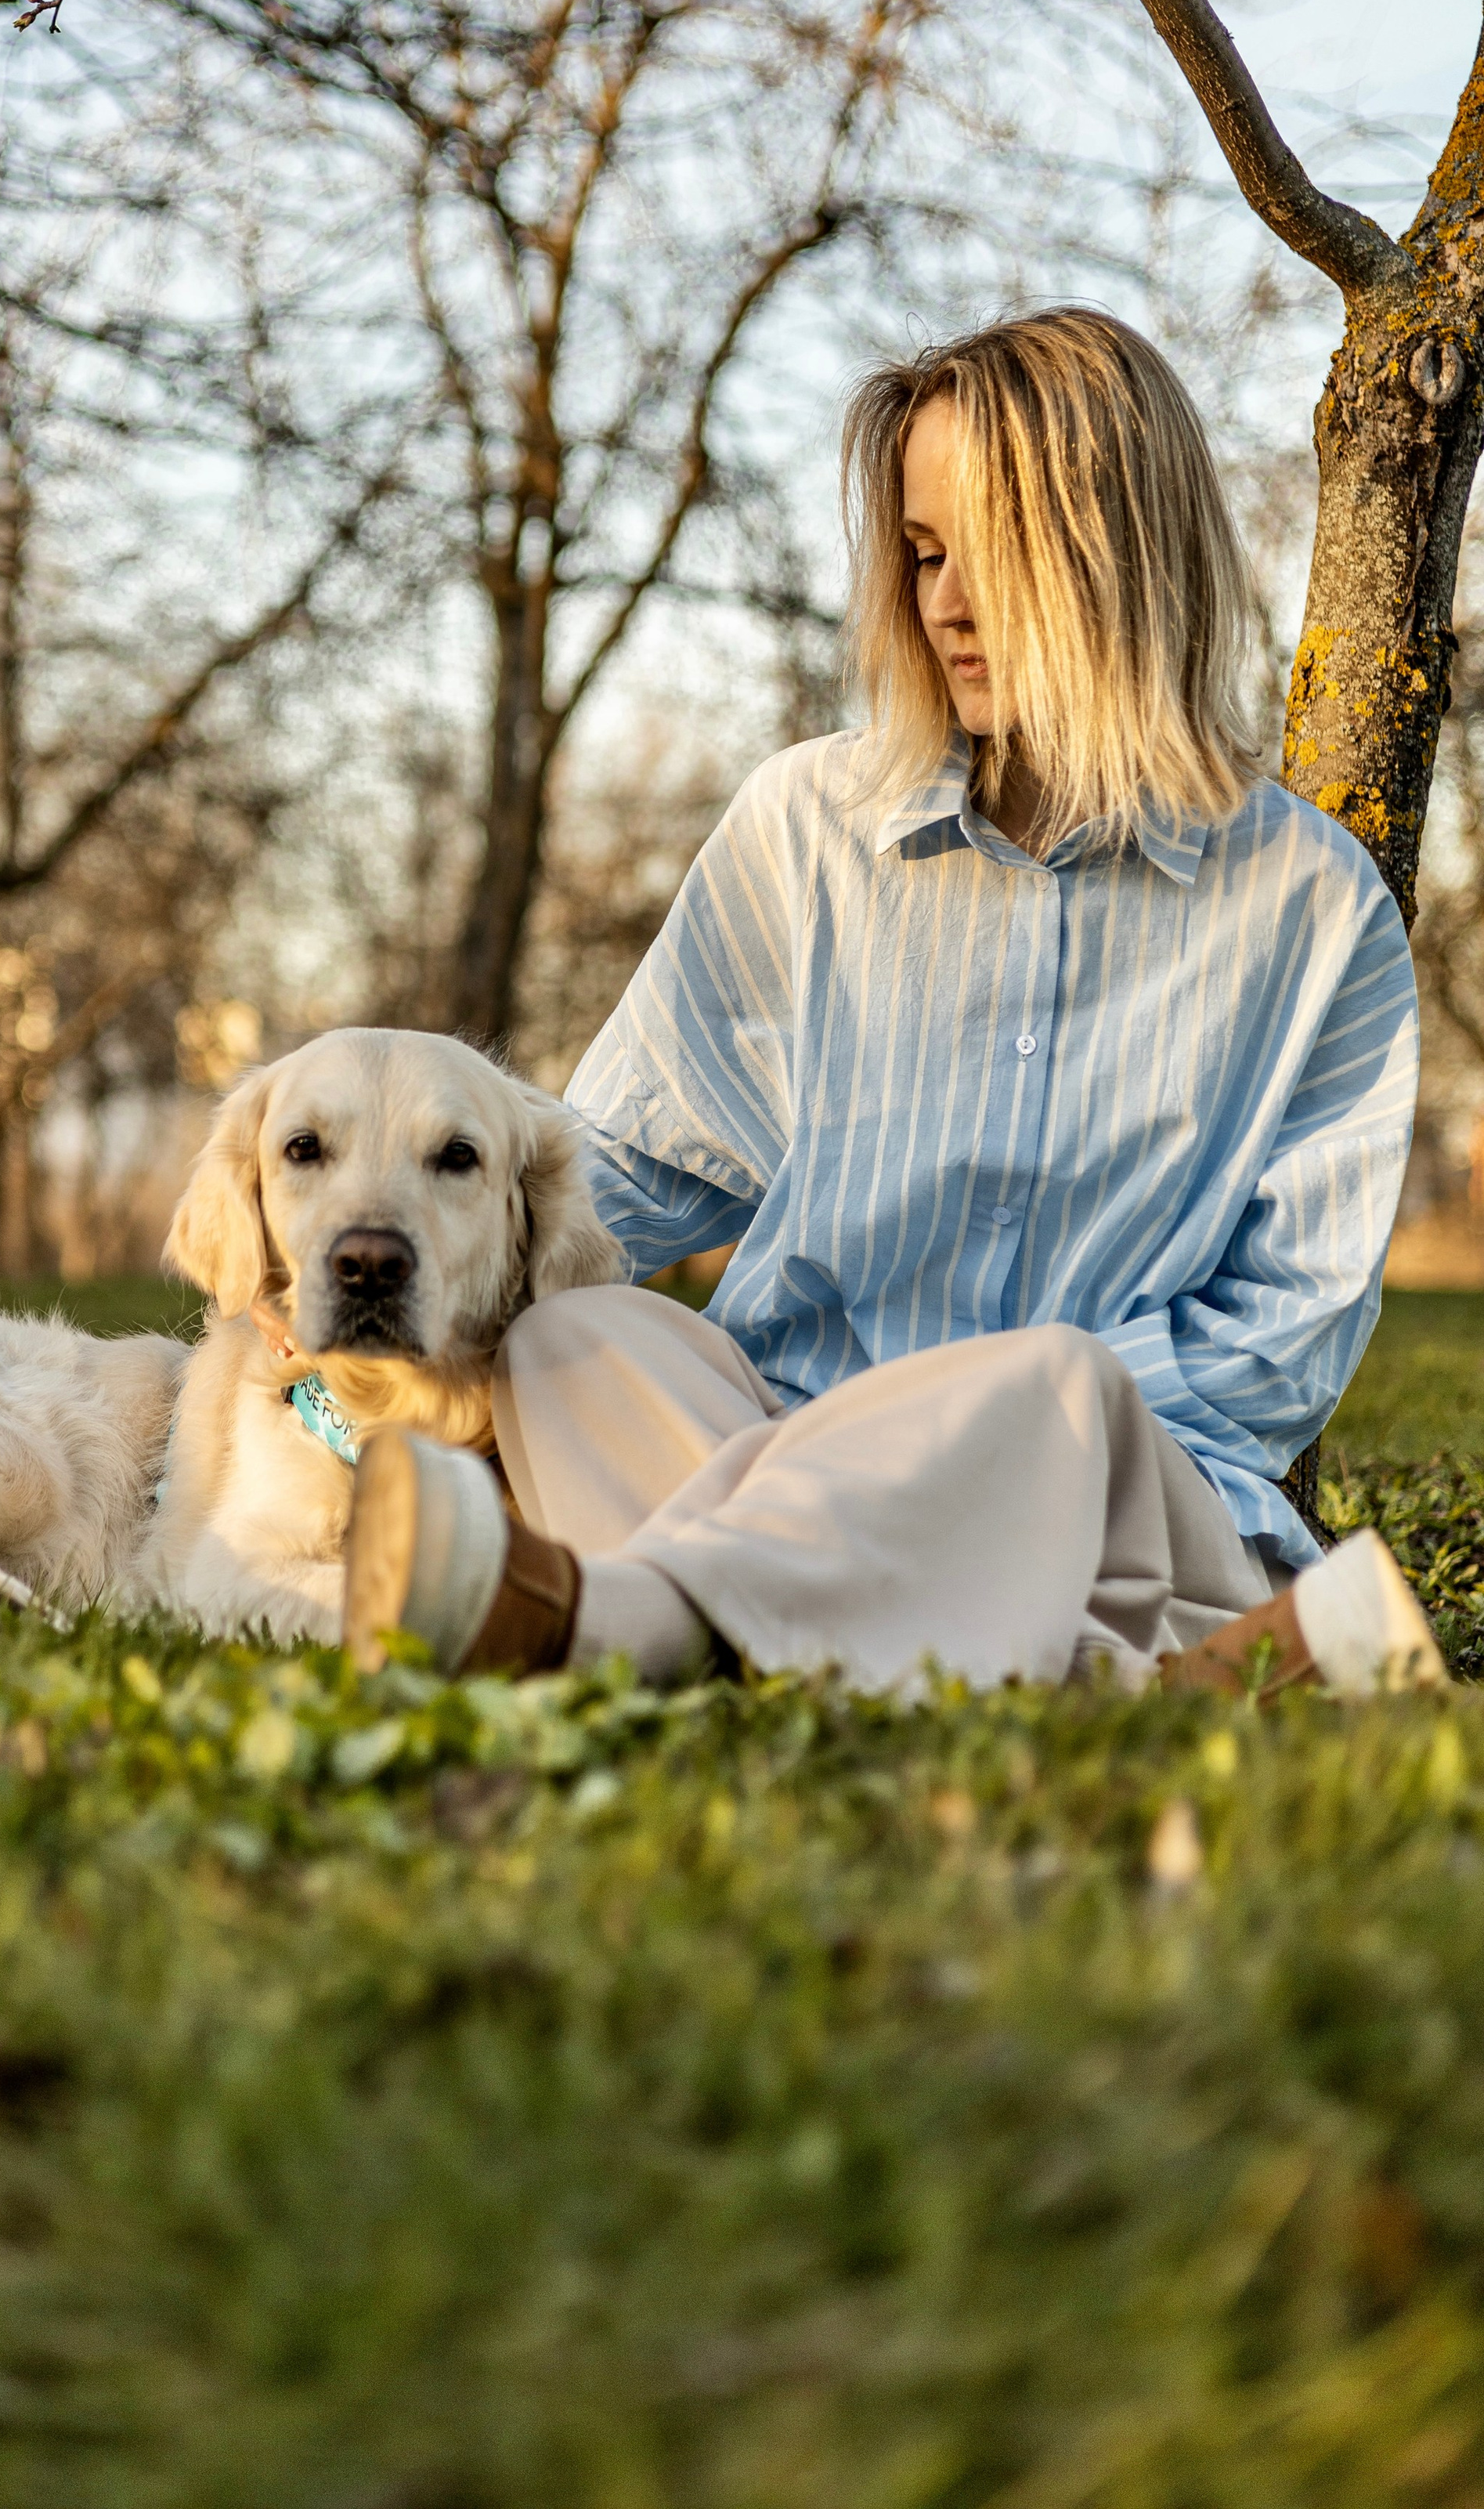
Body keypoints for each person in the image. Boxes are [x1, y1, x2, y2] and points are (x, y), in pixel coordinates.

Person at [341, 309, 1443, 1699]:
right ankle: (1138, 1679)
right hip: (771, 1448)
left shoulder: (1317, 906)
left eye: (995, 552)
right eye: (924, 554)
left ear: (1122, 550)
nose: (946, 605)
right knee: (576, 1339)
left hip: (1111, 1500)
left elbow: (1273, 1352)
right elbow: (613, 1174)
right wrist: (389, 1249)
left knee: (1046, 1388)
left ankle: (627, 1624)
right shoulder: (806, 824)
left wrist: (951, 1460)